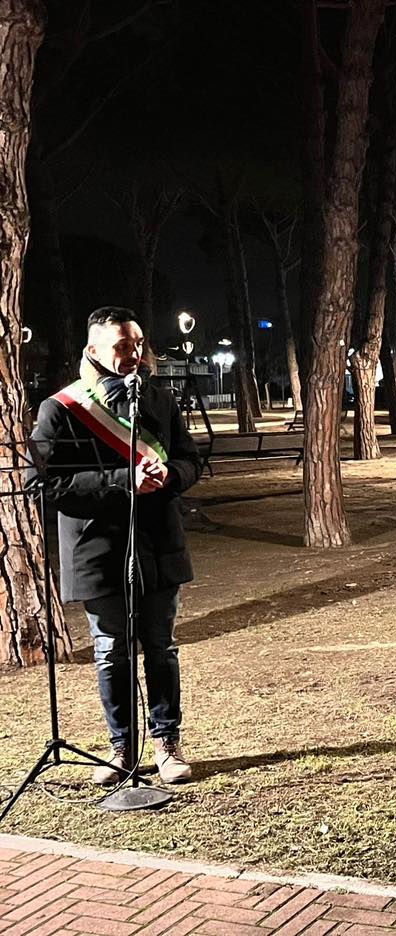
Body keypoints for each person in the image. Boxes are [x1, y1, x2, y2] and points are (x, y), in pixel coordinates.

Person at [28, 307, 202, 786]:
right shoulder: (60, 409)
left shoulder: (160, 401)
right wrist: (121, 480)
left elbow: (191, 461)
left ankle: (167, 744)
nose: (135, 354)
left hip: (157, 543)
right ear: (94, 351)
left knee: (161, 648)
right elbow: (40, 485)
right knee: (111, 651)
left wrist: (171, 475)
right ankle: (122, 749)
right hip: (97, 548)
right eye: (123, 346)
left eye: (139, 344)